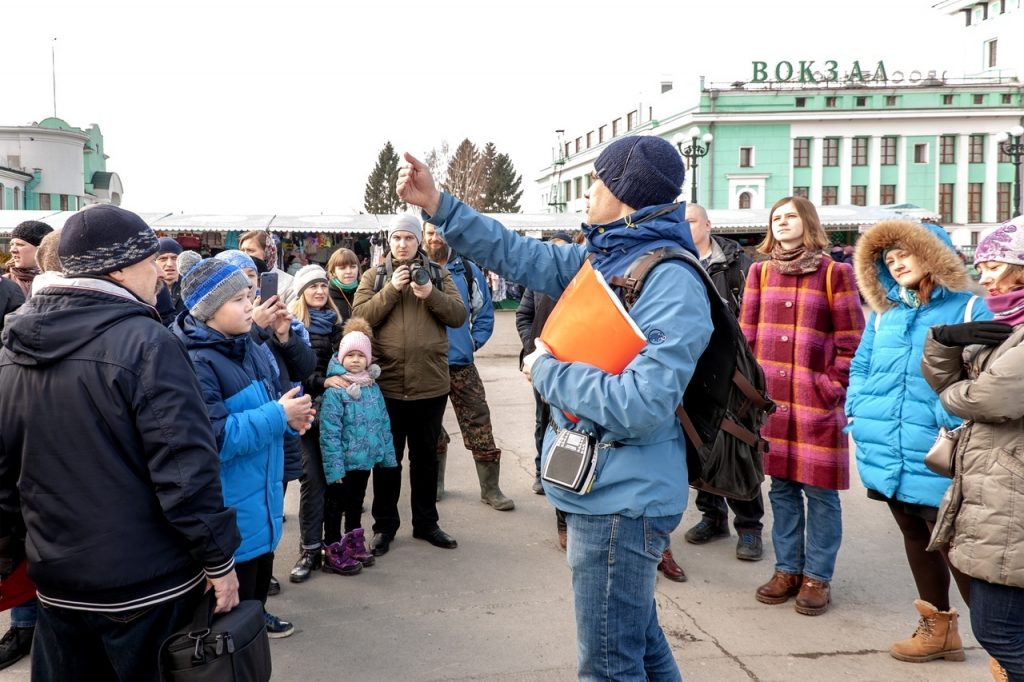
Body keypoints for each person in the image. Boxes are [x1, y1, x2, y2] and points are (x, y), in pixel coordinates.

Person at [398, 135, 712, 681]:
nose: (587, 193)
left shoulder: (668, 278)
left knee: (609, 666)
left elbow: (643, 402)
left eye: (595, 181)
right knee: (639, 641)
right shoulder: (611, 257)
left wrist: (547, 370)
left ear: (623, 191)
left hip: (622, 501)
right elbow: (517, 253)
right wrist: (439, 205)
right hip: (609, 486)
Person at [0, 205, 241, 680]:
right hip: (147, 588)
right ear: (117, 269)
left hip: (57, 583)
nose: (160, 272)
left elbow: (6, 481)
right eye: (150, 260)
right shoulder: (148, 342)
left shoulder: (11, 348)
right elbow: (186, 470)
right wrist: (219, 560)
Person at [847, 220, 988, 662]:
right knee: (913, 531)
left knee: (953, 544)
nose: (896, 262)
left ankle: (1005, 647)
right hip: (886, 445)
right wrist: (857, 409)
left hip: (942, 448)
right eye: (888, 259)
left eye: (905, 253)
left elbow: (991, 376)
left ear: (934, 253)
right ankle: (938, 628)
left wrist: (951, 417)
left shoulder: (970, 309)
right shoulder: (885, 314)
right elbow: (861, 367)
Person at [172, 256, 315, 639]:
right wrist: (278, 415)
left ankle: (255, 622)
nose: (251, 304)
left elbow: (270, 402)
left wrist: (290, 421)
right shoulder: (196, 361)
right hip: (232, 506)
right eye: (238, 299)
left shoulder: (248, 345)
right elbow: (215, 438)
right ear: (208, 309)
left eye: (249, 295)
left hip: (261, 499)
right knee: (228, 619)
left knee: (256, 585)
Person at [743, 196, 864, 616]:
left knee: (822, 494)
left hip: (816, 404)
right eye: (776, 217)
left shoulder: (835, 272)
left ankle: (817, 577)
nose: (782, 222)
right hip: (774, 405)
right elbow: (747, 338)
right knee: (782, 490)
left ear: (807, 222)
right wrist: (752, 395)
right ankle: (787, 570)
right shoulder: (759, 272)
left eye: (790, 216)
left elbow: (853, 342)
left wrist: (829, 387)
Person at [922, 217, 1024, 682]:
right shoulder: (1007, 325)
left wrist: (955, 394)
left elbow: (989, 399)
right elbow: (957, 384)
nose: (984, 277)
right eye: (980, 265)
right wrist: (942, 344)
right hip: (993, 487)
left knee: (999, 632)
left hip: (1011, 495)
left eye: (995, 265)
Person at [351, 214, 466, 555]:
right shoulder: (375, 276)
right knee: (388, 460)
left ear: (419, 242)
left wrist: (430, 293)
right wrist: (391, 290)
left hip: (430, 384)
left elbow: (458, 316)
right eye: (397, 238)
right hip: (386, 385)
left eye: (409, 238)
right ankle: (384, 527)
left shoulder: (438, 274)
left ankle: (426, 523)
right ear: (390, 242)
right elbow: (359, 319)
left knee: (425, 458)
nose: (402, 244)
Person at [217, 248, 317, 598]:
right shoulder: (228, 334)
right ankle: (248, 592)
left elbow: (305, 368)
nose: (249, 297)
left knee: (272, 503)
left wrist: (285, 334)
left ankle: (263, 575)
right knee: (244, 512)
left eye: (252, 285)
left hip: (280, 430)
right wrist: (256, 327)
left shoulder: (280, 318)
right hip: (255, 437)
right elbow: (240, 366)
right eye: (238, 291)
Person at [681, 203, 763, 566]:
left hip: (734, 369)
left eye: (692, 220)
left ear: (708, 225)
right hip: (691, 369)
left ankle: (749, 526)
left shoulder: (737, 265)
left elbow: (755, 316)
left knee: (737, 443)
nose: (685, 227)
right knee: (700, 444)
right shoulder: (676, 263)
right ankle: (711, 517)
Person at [423, 222, 513, 511]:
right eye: (429, 233)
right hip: (427, 365)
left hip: (461, 364)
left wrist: (473, 342)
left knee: (479, 423)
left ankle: (491, 489)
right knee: (430, 428)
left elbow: (484, 313)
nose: (435, 238)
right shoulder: (417, 270)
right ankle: (435, 484)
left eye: (439, 232)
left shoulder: (469, 271)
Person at [318, 317, 398, 573]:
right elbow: (329, 433)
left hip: (364, 461)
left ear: (369, 359)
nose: (355, 360)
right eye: (349, 355)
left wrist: (386, 457)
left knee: (356, 502)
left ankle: (353, 541)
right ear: (341, 357)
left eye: (360, 355)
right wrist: (334, 468)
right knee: (335, 505)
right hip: (342, 465)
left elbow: (383, 424)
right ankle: (332, 546)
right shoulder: (336, 391)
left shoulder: (372, 388)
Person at [287, 265, 345, 582]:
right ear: (302, 293)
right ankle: (309, 548)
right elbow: (295, 368)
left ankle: (332, 544)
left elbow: (350, 363)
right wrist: (324, 382)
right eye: (313, 287)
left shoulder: (339, 325)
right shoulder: (294, 327)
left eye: (323, 285)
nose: (320, 291)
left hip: (334, 414)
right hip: (306, 411)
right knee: (311, 478)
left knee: (336, 476)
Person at [515, 231, 573, 550]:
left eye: (564, 251)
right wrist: (532, 348)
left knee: (573, 433)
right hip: (543, 367)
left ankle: (566, 500)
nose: (558, 257)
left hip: (577, 370)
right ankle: (542, 472)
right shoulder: (537, 282)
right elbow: (524, 316)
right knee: (545, 422)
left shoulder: (582, 284)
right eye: (553, 251)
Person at [239, 230, 295, 305]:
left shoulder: (288, 282)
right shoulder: (237, 278)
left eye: (250, 250)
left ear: (267, 252)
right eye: (242, 251)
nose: (245, 255)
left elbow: (293, 314)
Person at [4, 221, 52, 300]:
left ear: (41, 250)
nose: (12, 250)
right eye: (12, 244)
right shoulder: (4, 284)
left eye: (20, 244)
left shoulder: (61, 282)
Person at [155, 236, 184, 325]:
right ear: (153, 261)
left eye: (174, 258)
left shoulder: (191, 288)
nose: (169, 264)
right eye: (163, 259)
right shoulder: (146, 290)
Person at [326, 247, 360, 320]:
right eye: (342, 268)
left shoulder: (366, 290)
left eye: (353, 267)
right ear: (333, 271)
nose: (348, 271)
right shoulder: (326, 295)